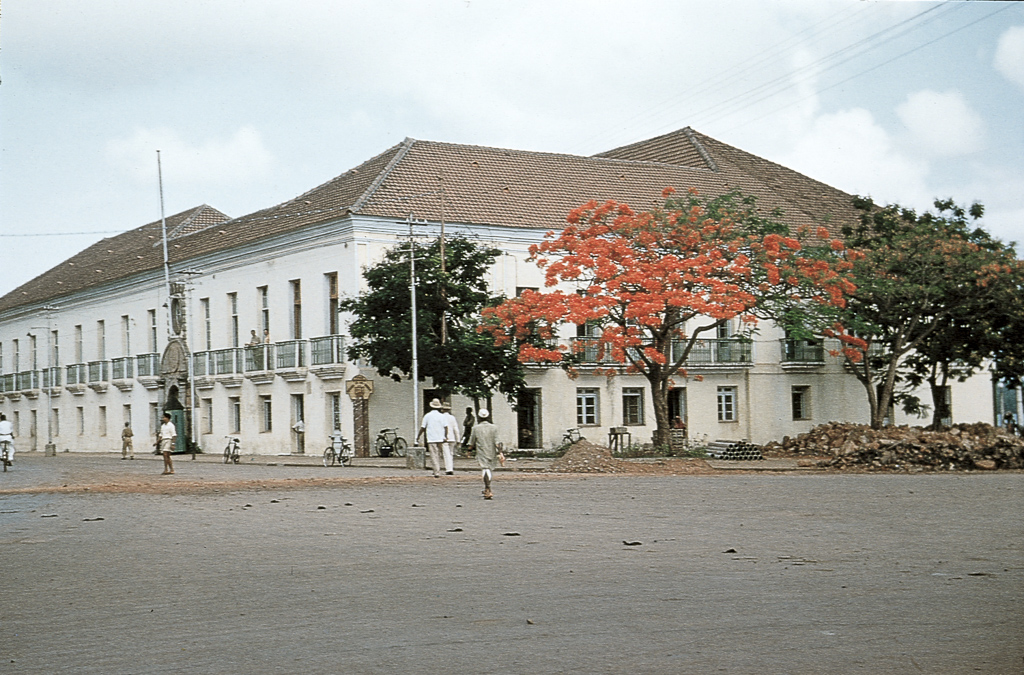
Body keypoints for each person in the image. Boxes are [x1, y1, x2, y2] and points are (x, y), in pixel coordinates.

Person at [466, 409, 503, 499]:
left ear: (479, 417)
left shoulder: (475, 428)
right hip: (492, 451)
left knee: (485, 469)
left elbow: (472, 442)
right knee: (489, 469)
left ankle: (487, 488)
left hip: (481, 451)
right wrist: (500, 452)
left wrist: (469, 451)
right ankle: (487, 488)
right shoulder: (494, 428)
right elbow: (497, 442)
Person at [416, 398, 448, 478]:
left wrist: (418, 436)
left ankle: (436, 471)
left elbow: (423, 427)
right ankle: (441, 468)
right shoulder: (442, 416)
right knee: (440, 454)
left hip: (432, 438)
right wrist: (445, 436)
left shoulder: (427, 416)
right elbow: (446, 427)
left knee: (433, 455)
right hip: (440, 437)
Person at [441, 403, 460, 475]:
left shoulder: (441, 417)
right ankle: (450, 467)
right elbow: (456, 429)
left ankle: (449, 469)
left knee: (446, 454)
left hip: (444, 438)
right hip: (452, 438)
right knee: (451, 453)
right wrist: (458, 439)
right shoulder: (452, 418)